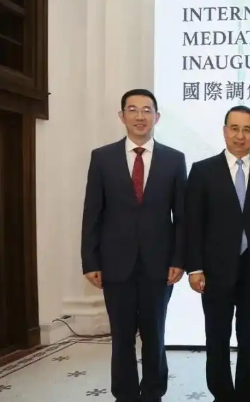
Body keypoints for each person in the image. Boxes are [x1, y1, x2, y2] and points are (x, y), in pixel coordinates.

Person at [81, 88, 187, 402]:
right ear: (122, 116)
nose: (140, 116)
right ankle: (125, 394)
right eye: (132, 109)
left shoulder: (174, 159)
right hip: (115, 263)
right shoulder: (102, 158)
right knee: (122, 336)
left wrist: (179, 259)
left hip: (159, 264)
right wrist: (90, 260)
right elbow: (92, 212)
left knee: (155, 335)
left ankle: (154, 393)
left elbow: (182, 217)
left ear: (157, 116)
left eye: (146, 110)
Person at [184, 105, 250, 402]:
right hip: (214, 270)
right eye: (234, 128)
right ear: (224, 131)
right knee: (217, 335)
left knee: (249, 334)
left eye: (247, 130)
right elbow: (193, 223)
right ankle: (221, 393)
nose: (240, 136)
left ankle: (247, 393)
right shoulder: (203, 171)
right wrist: (195, 268)